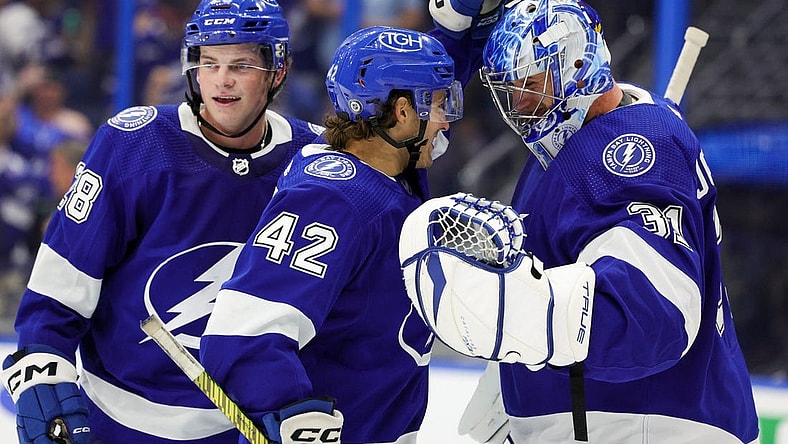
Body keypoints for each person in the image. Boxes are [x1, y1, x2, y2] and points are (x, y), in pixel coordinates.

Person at [401, 0, 760, 442]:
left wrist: (526, 310)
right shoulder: (578, 146)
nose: (521, 106)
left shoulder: (627, 149)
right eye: (509, 91)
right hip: (608, 419)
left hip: (643, 423)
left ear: (578, 63)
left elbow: (653, 314)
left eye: (531, 85)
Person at [0, 0, 325, 442]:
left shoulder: (314, 163)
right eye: (209, 62)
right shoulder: (134, 144)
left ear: (277, 72)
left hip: (241, 425)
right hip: (111, 416)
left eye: (242, 64)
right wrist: (42, 361)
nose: (222, 80)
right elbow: (63, 278)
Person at [199, 25, 463, 444]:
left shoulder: (377, 165)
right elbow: (240, 337)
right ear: (401, 111)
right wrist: (290, 414)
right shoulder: (334, 200)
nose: (445, 120)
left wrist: (459, 32)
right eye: (436, 104)